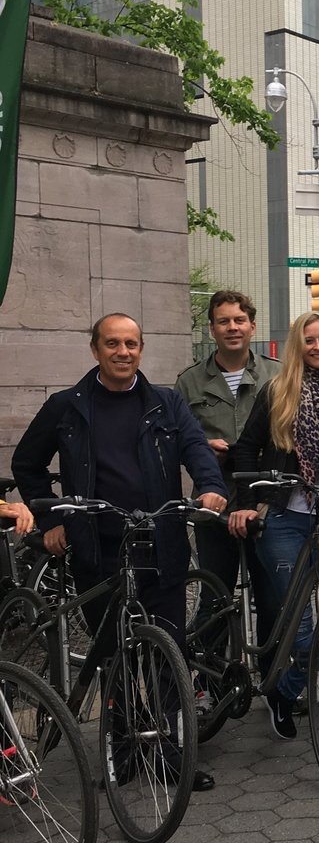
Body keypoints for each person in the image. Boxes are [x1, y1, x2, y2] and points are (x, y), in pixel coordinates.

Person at [12, 314, 226, 792]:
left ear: (142, 348)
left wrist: (211, 488)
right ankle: (124, 751)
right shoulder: (67, 407)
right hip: (97, 553)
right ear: (96, 350)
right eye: (113, 344)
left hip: (162, 546)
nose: (123, 352)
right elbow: (26, 464)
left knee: (169, 655)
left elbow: (197, 451)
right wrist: (52, 520)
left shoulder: (166, 403)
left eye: (131, 343)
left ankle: (172, 756)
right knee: (116, 659)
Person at [228, 311, 319, 740]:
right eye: (310, 340)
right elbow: (245, 451)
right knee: (303, 623)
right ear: (297, 346)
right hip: (284, 519)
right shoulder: (278, 391)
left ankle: (286, 691)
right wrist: (250, 502)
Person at [175, 290, 279, 687]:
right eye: (223, 321)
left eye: (239, 320)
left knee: (271, 596)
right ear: (212, 328)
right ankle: (207, 683)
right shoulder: (189, 382)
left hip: (266, 504)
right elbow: (176, 440)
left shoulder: (278, 374)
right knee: (213, 597)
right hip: (213, 503)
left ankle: (274, 682)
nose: (232, 327)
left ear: (252, 326)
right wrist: (203, 448)